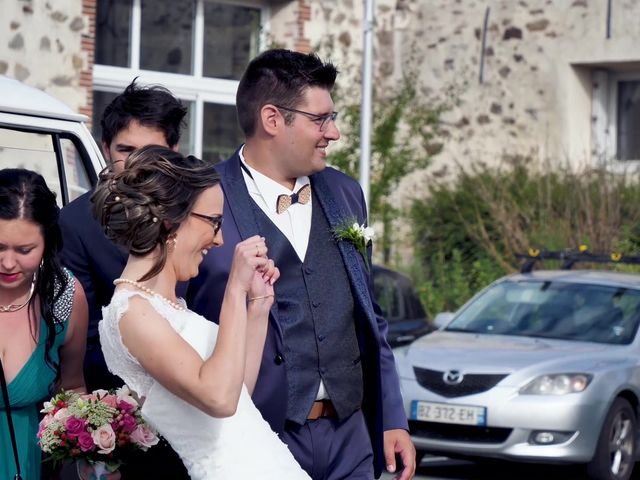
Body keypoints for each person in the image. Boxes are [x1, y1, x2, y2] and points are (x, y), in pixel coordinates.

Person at [187, 49, 416, 480]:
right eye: (321, 119)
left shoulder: (347, 193)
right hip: (257, 435)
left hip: (351, 434)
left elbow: (369, 316)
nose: (335, 133)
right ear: (273, 119)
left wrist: (391, 417)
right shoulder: (202, 199)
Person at [94, 145, 311, 480]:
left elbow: (238, 397)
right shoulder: (131, 312)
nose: (220, 239)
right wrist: (233, 291)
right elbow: (219, 398)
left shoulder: (167, 307)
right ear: (170, 222)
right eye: (214, 222)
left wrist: (256, 306)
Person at [59, 80, 189, 478]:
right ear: (104, 148)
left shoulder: (194, 216)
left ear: (173, 154)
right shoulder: (75, 223)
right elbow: (84, 340)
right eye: (124, 150)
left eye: (150, 152)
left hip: (196, 410)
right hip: (119, 417)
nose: (135, 164)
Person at [0, 169, 88, 480]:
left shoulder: (64, 295)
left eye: (24, 251)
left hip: (23, 462)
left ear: (47, 244)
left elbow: (72, 386)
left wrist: (91, 448)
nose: (9, 263)